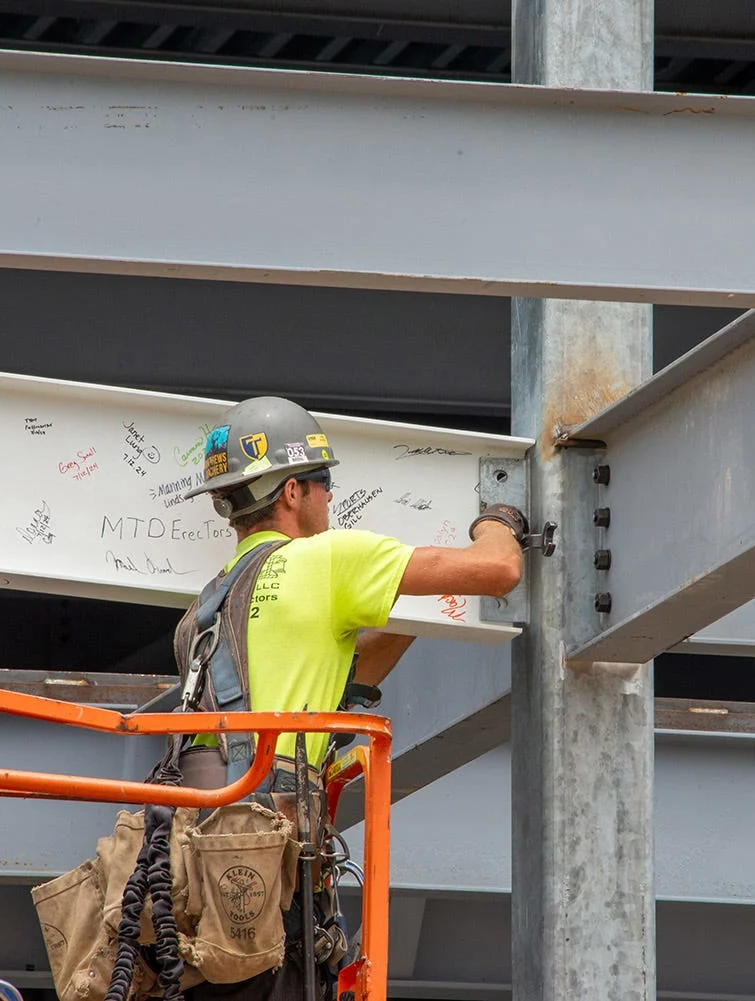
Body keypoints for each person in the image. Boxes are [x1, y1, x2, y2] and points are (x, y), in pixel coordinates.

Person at [172, 396, 527, 1001]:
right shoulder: (327, 561)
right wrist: (500, 519)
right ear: (291, 492)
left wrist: (415, 615)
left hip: (202, 864)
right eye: (324, 484)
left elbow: (344, 671)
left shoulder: (203, 614)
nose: (330, 499)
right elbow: (498, 571)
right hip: (275, 857)